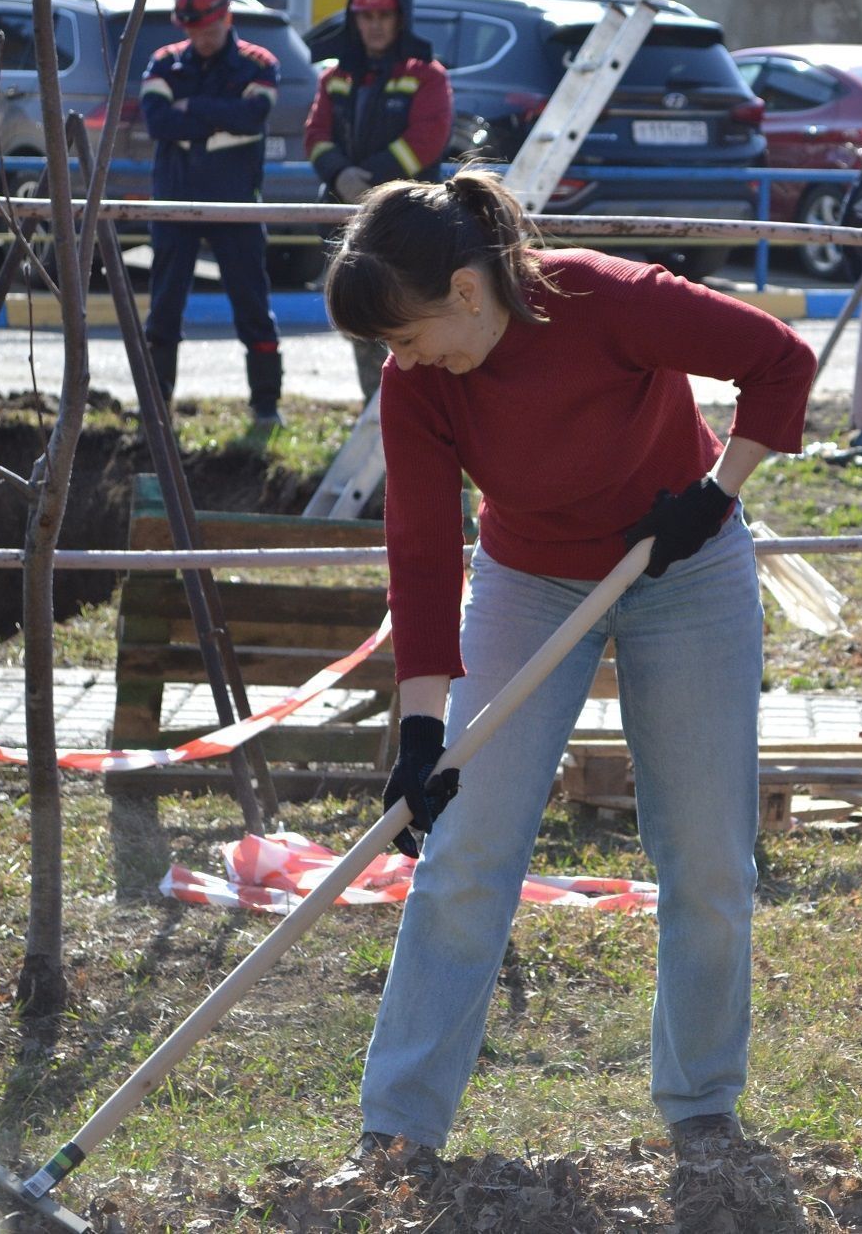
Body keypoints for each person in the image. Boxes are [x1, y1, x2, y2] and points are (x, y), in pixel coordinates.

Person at [321, 170, 815, 1166]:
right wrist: (424, 730)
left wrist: (714, 498)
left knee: (707, 852)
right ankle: (398, 1128)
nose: (399, 358)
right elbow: (419, 554)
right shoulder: (417, 382)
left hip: (680, 560)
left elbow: (779, 362)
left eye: (404, 333)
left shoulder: (602, 298)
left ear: (467, 289)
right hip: (528, 575)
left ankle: (702, 1107)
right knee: (462, 846)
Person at [139, 0, 285, 426]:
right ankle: (156, 407)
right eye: (193, 29)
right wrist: (221, 115)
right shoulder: (163, 61)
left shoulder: (260, 63)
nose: (202, 37)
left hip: (236, 204)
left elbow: (253, 117)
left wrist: (193, 109)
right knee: (163, 308)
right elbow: (158, 122)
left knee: (252, 307)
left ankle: (266, 406)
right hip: (175, 203)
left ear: (226, 17)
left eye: (209, 27)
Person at [306, 0, 454, 400]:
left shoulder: (427, 75)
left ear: (401, 18)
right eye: (365, 17)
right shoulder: (336, 76)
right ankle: (377, 415)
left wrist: (366, 180)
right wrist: (337, 172)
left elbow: (425, 143)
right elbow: (315, 135)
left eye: (383, 16)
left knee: (413, 325)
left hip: (408, 227)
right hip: (351, 226)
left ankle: (416, 418)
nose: (373, 26)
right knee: (362, 325)